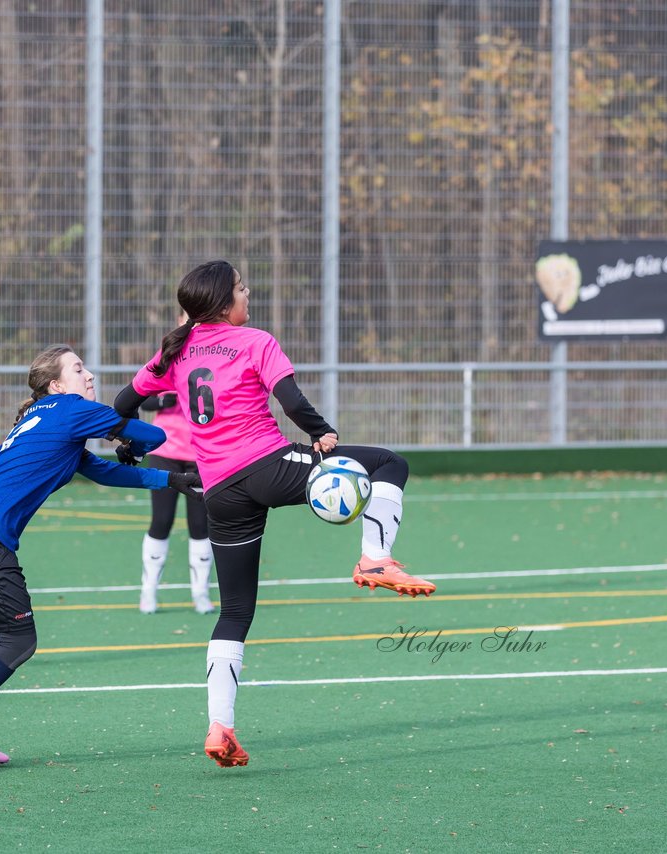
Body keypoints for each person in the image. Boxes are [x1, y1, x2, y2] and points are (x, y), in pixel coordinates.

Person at [112, 259, 436, 769]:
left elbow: (124, 401)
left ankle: (221, 727)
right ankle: (375, 557)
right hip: (266, 466)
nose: (249, 293)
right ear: (223, 303)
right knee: (390, 463)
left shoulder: (175, 350)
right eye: (242, 287)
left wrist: (126, 441)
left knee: (235, 612)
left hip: (219, 491)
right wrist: (321, 432)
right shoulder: (255, 340)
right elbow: (291, 400)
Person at [0, 345, 202, 774]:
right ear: (56, 385)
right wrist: (126, 436)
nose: (89, 375)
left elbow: (104, 470)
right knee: (19, 640)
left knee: (6, 634)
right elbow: (156, 437)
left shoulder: (48, 415)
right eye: (78, 369)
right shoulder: (70, 408)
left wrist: (169, 478)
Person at [138, 312, 214, 615]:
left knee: (201, 525)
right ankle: (149, 593)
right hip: (165, 450)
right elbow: (143, 398)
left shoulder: (217, 354)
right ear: (180, 317)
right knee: (161, 521)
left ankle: (201, 594)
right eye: (189, 316)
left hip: (201, 454)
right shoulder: (169, 352)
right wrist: (163, 401)